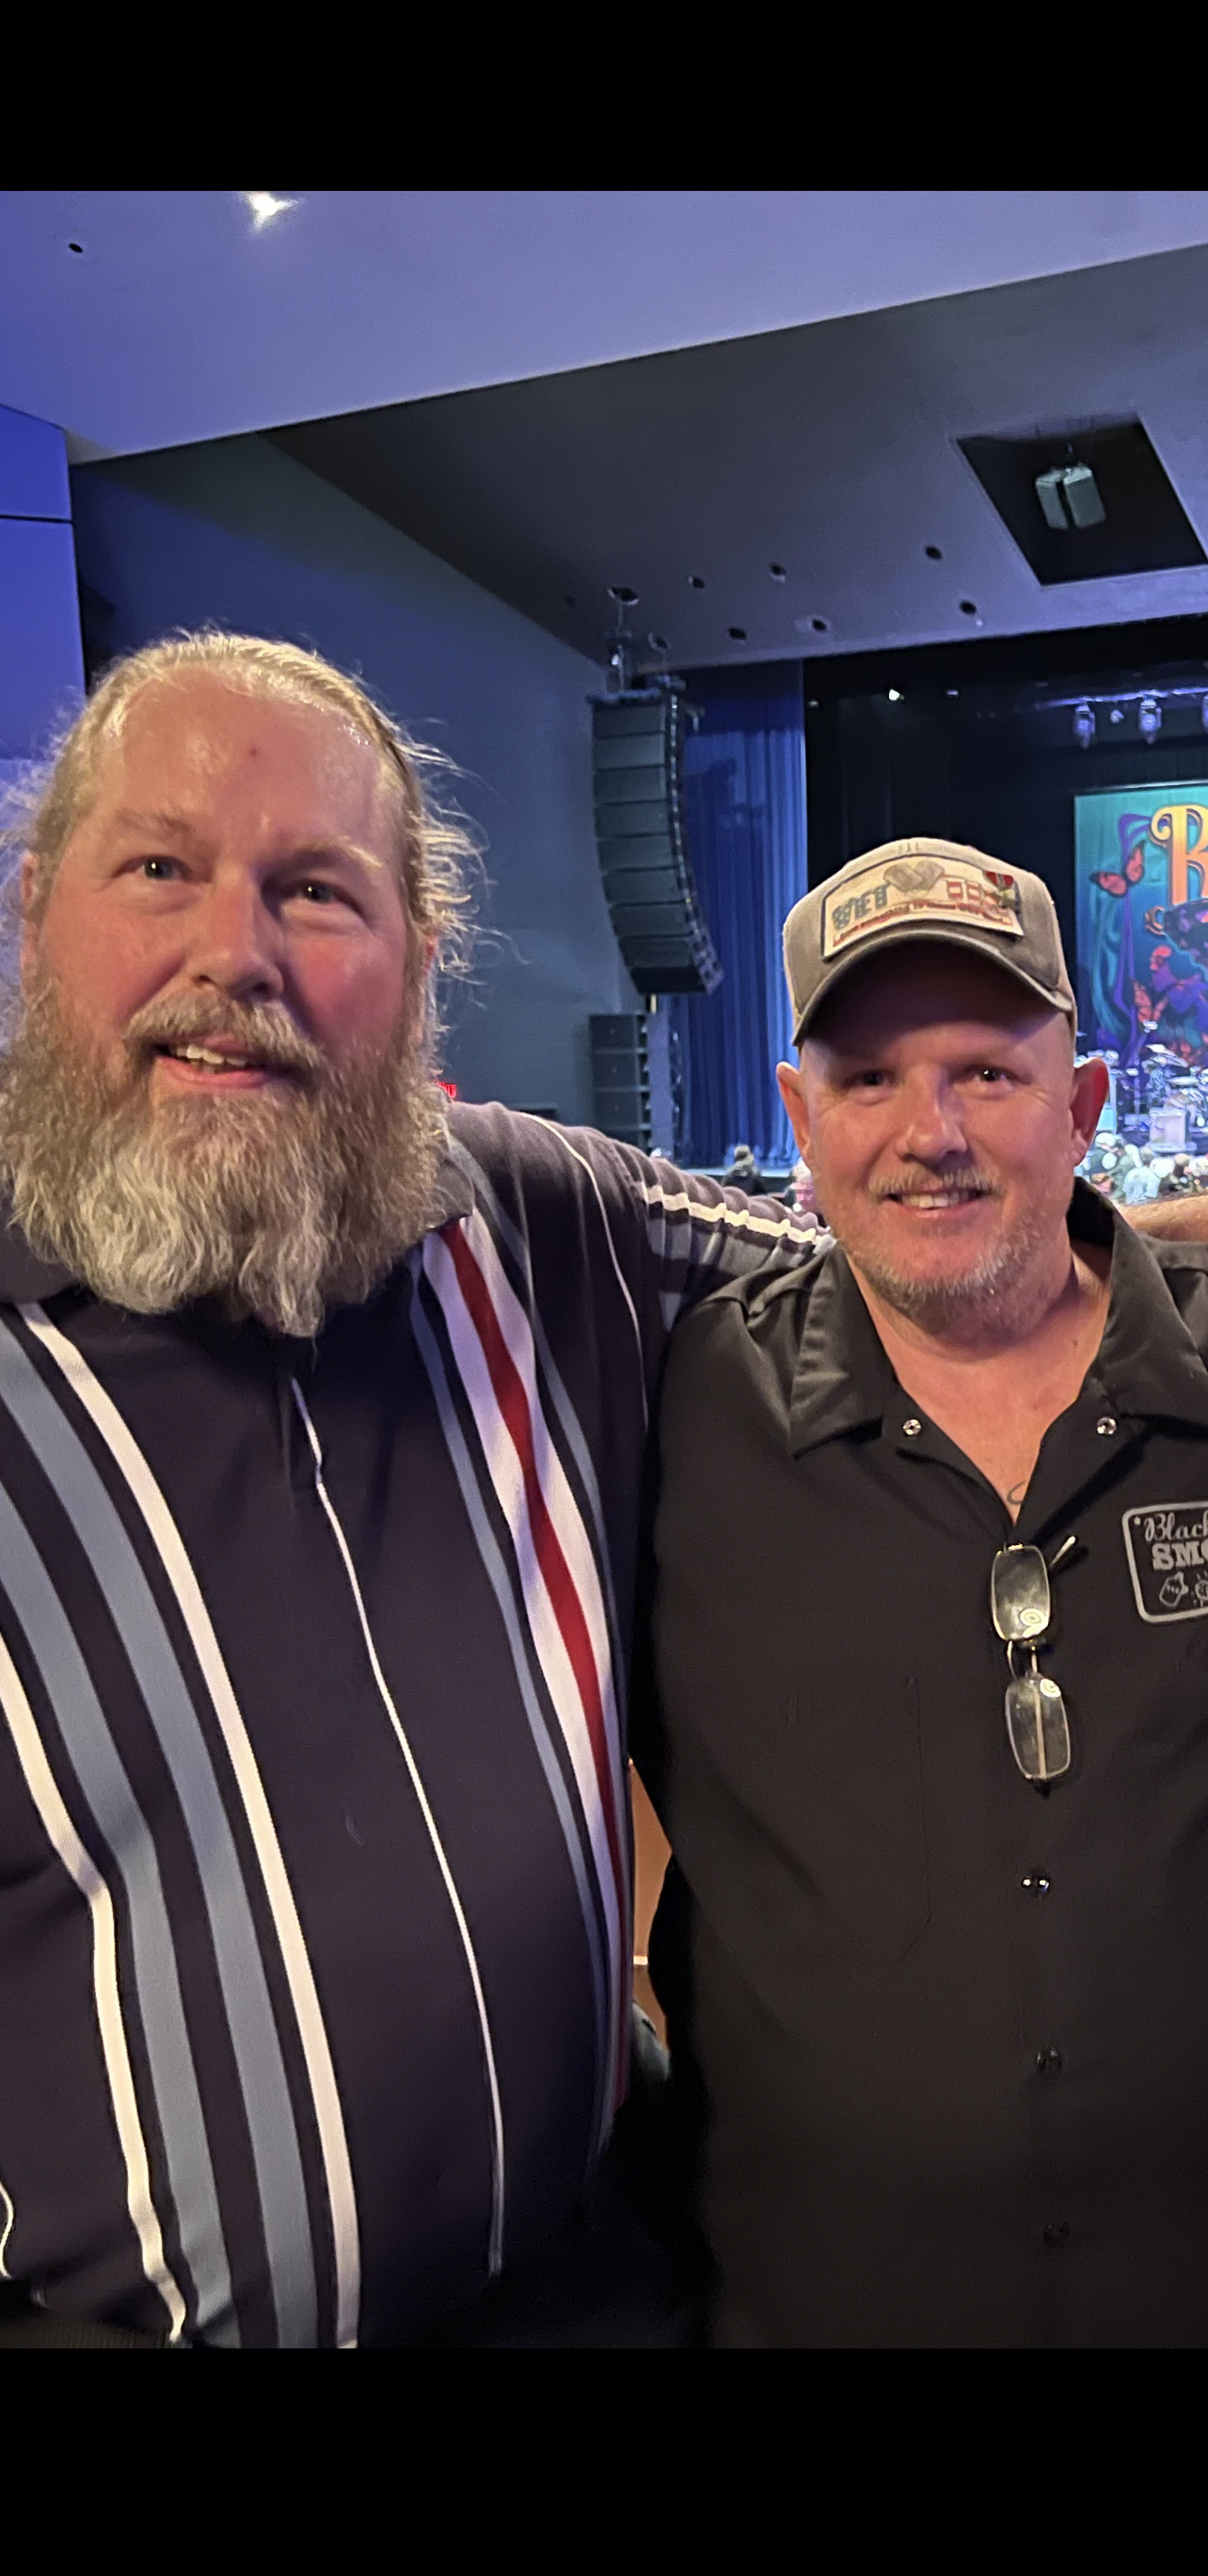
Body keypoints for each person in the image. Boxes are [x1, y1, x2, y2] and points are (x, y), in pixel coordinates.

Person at [0, 630, 820, 2349]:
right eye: (158, 869)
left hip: (604, 2290)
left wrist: (1137, 1252)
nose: (234, 953)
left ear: (421, 957)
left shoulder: (544, 1224)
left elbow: (922, 1268)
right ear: (35, 912)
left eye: (316, 889)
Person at [644, 833, 1208, 2347]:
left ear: (1084, 1105)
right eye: (871, 1078)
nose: (929, 1132)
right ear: (799, 1117)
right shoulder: (682, 1405)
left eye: (987, 1072)